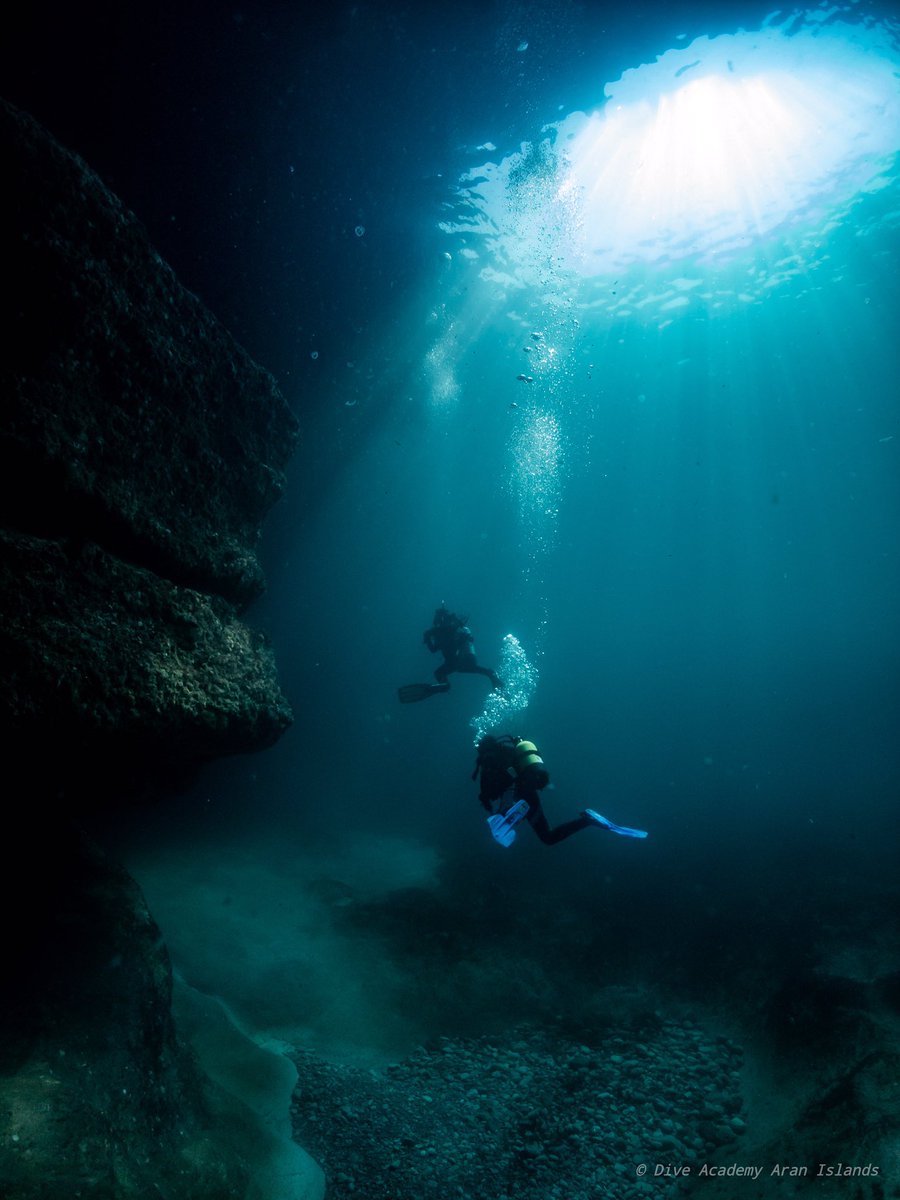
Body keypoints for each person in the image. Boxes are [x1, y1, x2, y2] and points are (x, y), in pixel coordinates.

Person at [472, 734, 648, 846]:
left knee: (542, 834)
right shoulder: (510, 751)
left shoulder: (486, 764)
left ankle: (507, 813)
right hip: (529, 793)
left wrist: (486, 802)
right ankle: (588, 820)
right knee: (547, 837)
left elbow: (490, 792)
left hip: (514, 796)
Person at [398, 606, 501, 703]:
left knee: (440, 673)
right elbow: (434, 649)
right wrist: (428, 638)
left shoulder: (447, 629)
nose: (436, 622)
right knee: (441, 673)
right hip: (459, 662)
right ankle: (490, 675)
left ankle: (489, 676)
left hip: (458, 660)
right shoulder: (442, 631)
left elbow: (439, 646)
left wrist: (429, 636)